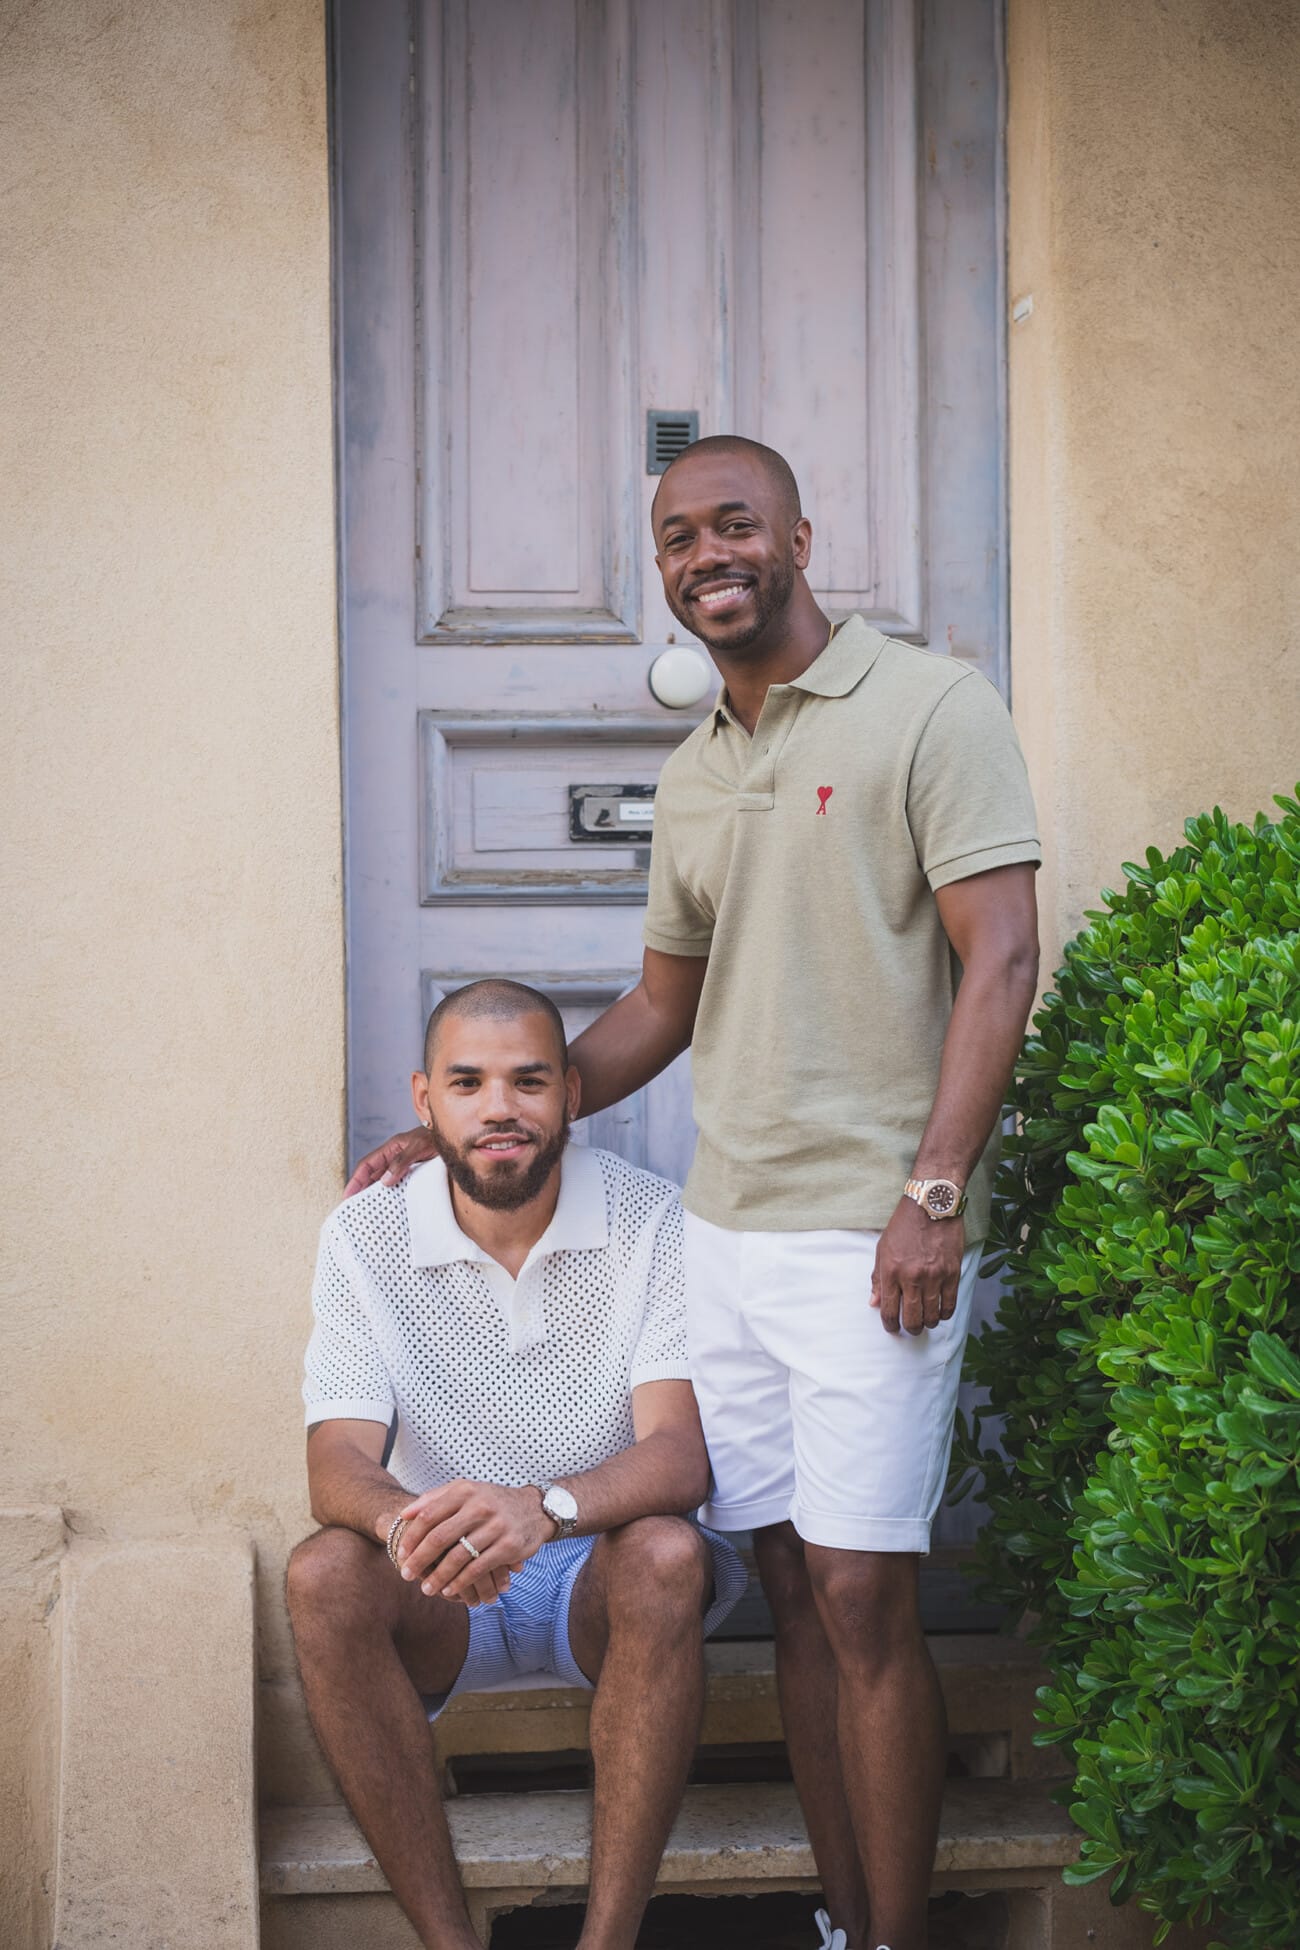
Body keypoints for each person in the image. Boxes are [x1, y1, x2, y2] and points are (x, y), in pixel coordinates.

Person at [347, 437, 1042, 1950]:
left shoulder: (931, 706)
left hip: (876, 1235)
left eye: (735, 523)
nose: (706, 553)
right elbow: (661, 1009)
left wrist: (936, 1188)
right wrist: (493, 1122)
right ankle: (848, 1920)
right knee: (791, 1587)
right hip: (729, 1231)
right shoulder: (698, 770)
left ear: (802, 532)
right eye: (678, 535)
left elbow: (1002, 957)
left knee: (866, 1595)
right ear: (661, 567)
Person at [290, 978, 745, 1950]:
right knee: (323, 1572)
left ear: (573, 1093)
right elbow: (335, 1465)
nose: (499, 1106)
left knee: (669, 1553)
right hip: (440, 1584)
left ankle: (606, 1943)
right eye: (468, 1082)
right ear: (425, 1101)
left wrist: (543, 1507)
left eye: (528, 1080)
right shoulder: (364, 1235)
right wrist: (419, 1527)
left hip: (595, 1571)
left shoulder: (652, 1219)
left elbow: (678, 1453)